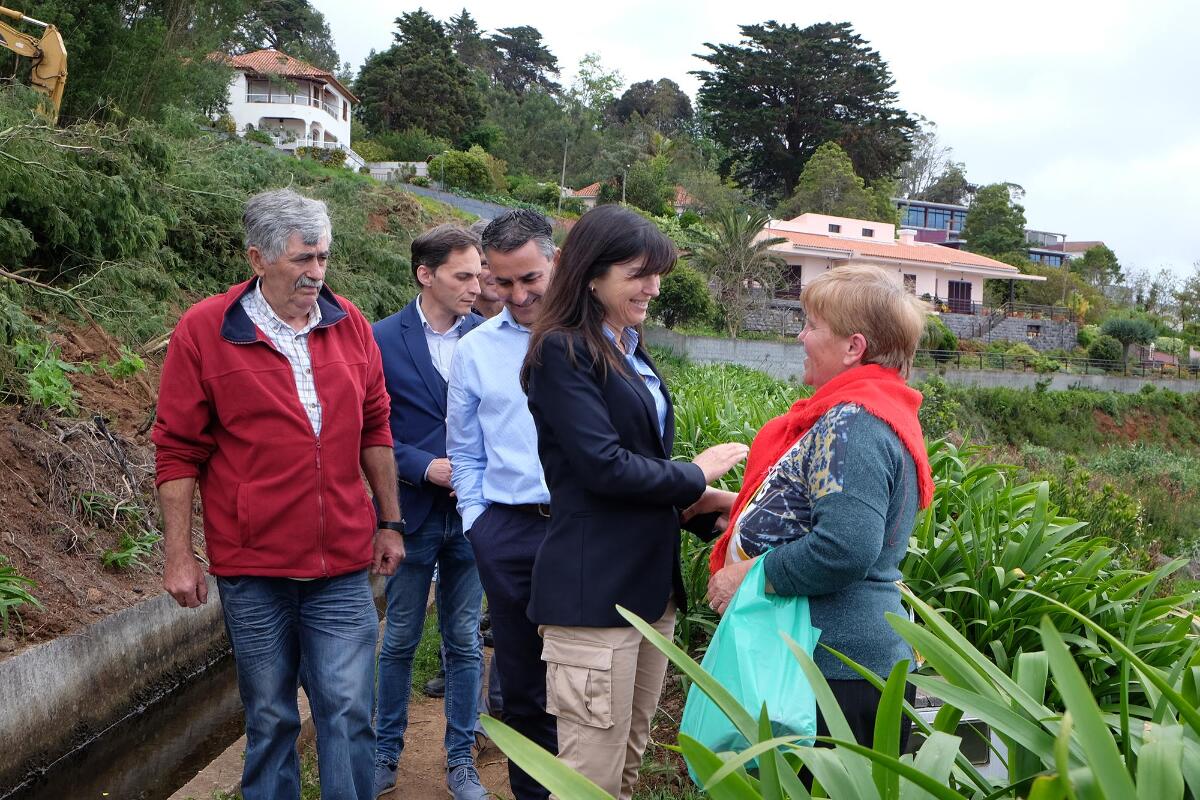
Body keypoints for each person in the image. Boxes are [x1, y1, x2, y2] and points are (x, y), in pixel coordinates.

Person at [153, 188, 405, 800]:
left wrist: (391, 522)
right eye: (302, 260)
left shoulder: (350, 327)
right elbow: (178, 448)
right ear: (258, 258)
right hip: (254, 566)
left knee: (348, 711)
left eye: (323, 258)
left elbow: (376, 427)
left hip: (342, 562)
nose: (316, 273)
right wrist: (179, 555)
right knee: (270, 716)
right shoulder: (205, 330)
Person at [520, 204, 748, 800]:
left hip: (647, 590)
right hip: (594, 595)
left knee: (625, 764)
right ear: (592, 275)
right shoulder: (563, 351)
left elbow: (634, 470)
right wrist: (693, 475)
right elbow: (601, 467)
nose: (652, 287)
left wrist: (704, 502)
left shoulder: (625, 345)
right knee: (588, 775)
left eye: (657, 273)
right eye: (638, 274)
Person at [705, 263, 934, 752]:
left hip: (834, 668)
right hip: (840, 662)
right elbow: (827, 513)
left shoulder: (854, 422)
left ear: (854, 347)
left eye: (811, 326)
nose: (801, 337)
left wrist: (746, 577)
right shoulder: (870, 410)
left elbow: (844, 547)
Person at [445, 208, 559, 800]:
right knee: (523, 682)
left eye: (529, 279)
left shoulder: (601, 336)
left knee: (590, 678)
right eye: (502, 281)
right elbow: (464, 451)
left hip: (583, 529)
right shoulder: (477, 352)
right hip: (509, 532)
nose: (516, 295)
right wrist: (479, 525)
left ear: (555, 264)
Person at [371, 224, 489, 800]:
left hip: (471, 518)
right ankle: (384, 752)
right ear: (426, 275)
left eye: (478, 273)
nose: (477, 285)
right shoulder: (381, 340)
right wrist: (422, 466)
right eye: (463, 275)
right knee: (398, 639)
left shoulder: (488, 338)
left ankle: (461, 759)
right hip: (410, 512)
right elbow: (368, 429)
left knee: (464, 640)